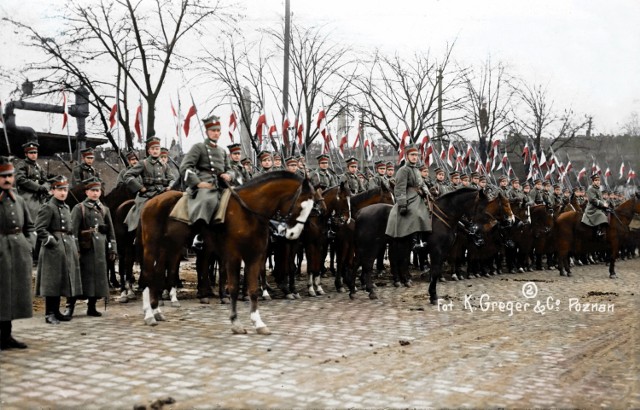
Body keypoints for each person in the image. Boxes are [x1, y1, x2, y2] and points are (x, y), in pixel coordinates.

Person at [65, 177, 117, 318]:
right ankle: (70, 307)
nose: (95, 193)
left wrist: (112, 248)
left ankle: (92, 307)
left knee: (98, 278)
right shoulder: (79, 208)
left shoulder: (104, 210)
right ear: (86, 192)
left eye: (97, 191)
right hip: (85, 248)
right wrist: (75, 248)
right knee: (80, 277)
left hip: (100, 249)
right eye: (92, 191)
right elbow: (73, 231)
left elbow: (111, 232)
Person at [34, 176, 82, 324]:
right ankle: (49, 314)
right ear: (52, 190)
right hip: (52, 249)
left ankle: (57, 311)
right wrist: (51, 241)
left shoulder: (66, 207)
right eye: (60, 189)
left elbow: (70, 229)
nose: (63, 193)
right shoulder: (48, 207)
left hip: (66, 247)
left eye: (65, 190)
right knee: (52, 281)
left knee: (62, 280)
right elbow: (39, 228)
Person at [0, 157, 35, 350]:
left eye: (10, 176)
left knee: (13, 294)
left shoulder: (19, 200)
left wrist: (28, 244)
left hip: (18, 252)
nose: (7, 179)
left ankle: (7, 335)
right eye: (3, 176)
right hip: (2, 252)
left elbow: (30, 226)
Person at [385, 144, 432, 285]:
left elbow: (422, 184)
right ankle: (415, 238)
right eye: (412, 155)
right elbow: (399, 188)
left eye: (416, 155)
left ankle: (421, 237)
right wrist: (402, 204)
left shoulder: (416, 170)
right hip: (408, 199)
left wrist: (428, 192)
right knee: (416, 213)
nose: (415, 157)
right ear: (406, 156)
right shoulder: (403, 170)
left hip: (418, 197)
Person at [179, 114, 231, 225]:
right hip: (205, 183)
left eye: (218, 130)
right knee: (207, 200)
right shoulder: (199, 147)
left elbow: (230, 169)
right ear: (207, 132)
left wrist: (229, 175)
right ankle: (199, 232)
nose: (216, 133)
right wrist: (197, 183)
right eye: (213, 131)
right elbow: (185, 167)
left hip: (222, 184)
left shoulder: (222, 151)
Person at [123, 137, 175, 232]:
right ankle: (137, 235)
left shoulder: (165, 165)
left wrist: (170, 186)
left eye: (157, 149)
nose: (155, 151)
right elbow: (127, 176)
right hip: (147, 195)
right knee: (141, 214)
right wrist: (139, 187)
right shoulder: (143, 163)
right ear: (149, 151)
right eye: (153, 149)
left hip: (163, 194)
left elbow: (172, 179)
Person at [15, 141, 49, 220]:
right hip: (26, 194)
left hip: (39, 195)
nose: (34, 155)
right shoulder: (21, 165)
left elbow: (45, 180)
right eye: (31, 153)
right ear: (26, 154)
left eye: (35, 152)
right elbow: (20, 179)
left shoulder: (38, 166)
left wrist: (44, 187)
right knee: (32, 214)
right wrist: (38, 187)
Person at [581, 174, 610, 239]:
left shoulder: (598, 190)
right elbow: (593, 200)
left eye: (599, 180)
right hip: (592, 209)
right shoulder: (591, 189)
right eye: (596, 180)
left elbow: (601, 199)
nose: (598, 181)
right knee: (601, 215)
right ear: (593, 182)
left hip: (599, 207)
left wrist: (605, 204)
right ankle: (599, 231)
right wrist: (603, 204)